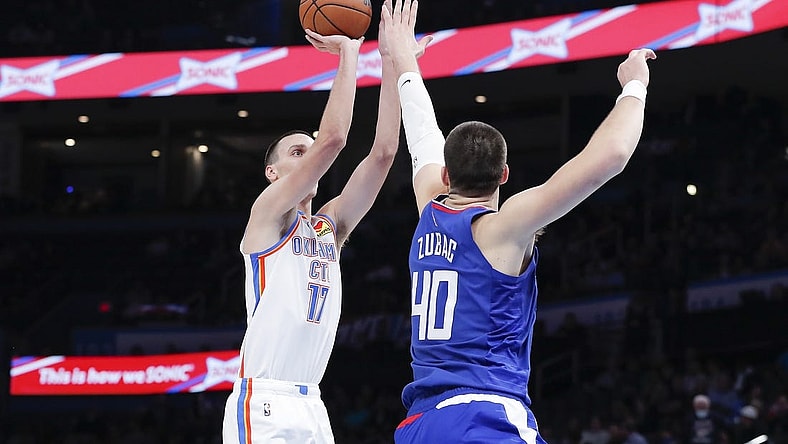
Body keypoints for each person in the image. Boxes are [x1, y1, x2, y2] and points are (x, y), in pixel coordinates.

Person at [381, 0, 657, 441]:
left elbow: (422, 134)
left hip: (420, 424)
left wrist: (403, 61)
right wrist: (634, 85)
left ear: (446, 175)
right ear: (504, 175)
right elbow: (612, 154)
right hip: (483, 415)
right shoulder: (504, 228)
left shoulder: (429, 208)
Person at [221, 6, 411, 441]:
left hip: (312, 404)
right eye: (296, 153)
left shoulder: (329, 228)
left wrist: (391, 61)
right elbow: (333, 140)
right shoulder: (267, 216)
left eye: (308, 150)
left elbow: (383, 153)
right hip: (262, 400)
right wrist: (350, 53)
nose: (309, 157)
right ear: (272, 173)